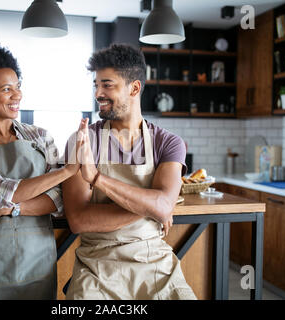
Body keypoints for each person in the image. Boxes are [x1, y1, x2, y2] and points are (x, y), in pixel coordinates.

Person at [62, 43, 197, 300]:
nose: (98, 93)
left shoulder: (167, 143)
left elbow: (164, 206)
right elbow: (79, 220)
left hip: (154, 262)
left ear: (134, 88)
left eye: (107, 85)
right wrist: (150, 207)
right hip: (97, 265)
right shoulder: (82, 141)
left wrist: (97, 178)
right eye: (96, 85)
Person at [0, 43, 81, 300]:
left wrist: (9, 209)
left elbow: (58, 200)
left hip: (37, 261)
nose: (17, 95)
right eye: (6, 89)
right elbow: (1, 191)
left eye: (18, 86)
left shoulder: (41, 137)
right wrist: (67, 171)